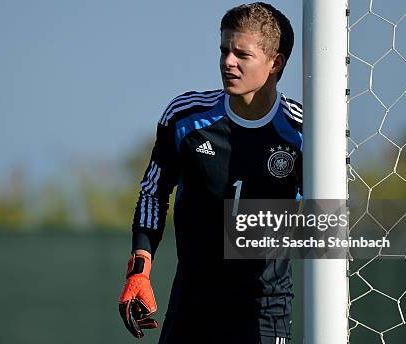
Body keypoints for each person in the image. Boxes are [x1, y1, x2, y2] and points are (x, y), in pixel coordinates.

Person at [118, 2, 302, 343]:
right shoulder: (186, 117)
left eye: (242, 55)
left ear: (275, 63)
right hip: (192, 303)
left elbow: (324, 219)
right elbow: (153, 192)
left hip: (265, 309)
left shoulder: (303, 132)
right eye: (224, 50)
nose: (228, 62)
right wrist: (139, 271)